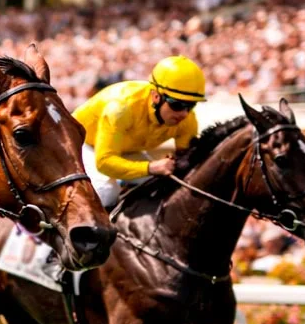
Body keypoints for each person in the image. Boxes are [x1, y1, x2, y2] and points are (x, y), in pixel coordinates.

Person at [72, 55, 205, 209]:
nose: (184, 114)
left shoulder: (187, 119)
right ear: (156, 96)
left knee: (164, 183)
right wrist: (151, 167)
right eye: (177, 105)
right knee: (107, 191)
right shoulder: (121, 108)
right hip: (82, 144)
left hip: (124, 149)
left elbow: (185, 161)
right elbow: (104, 162)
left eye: (191, 106)